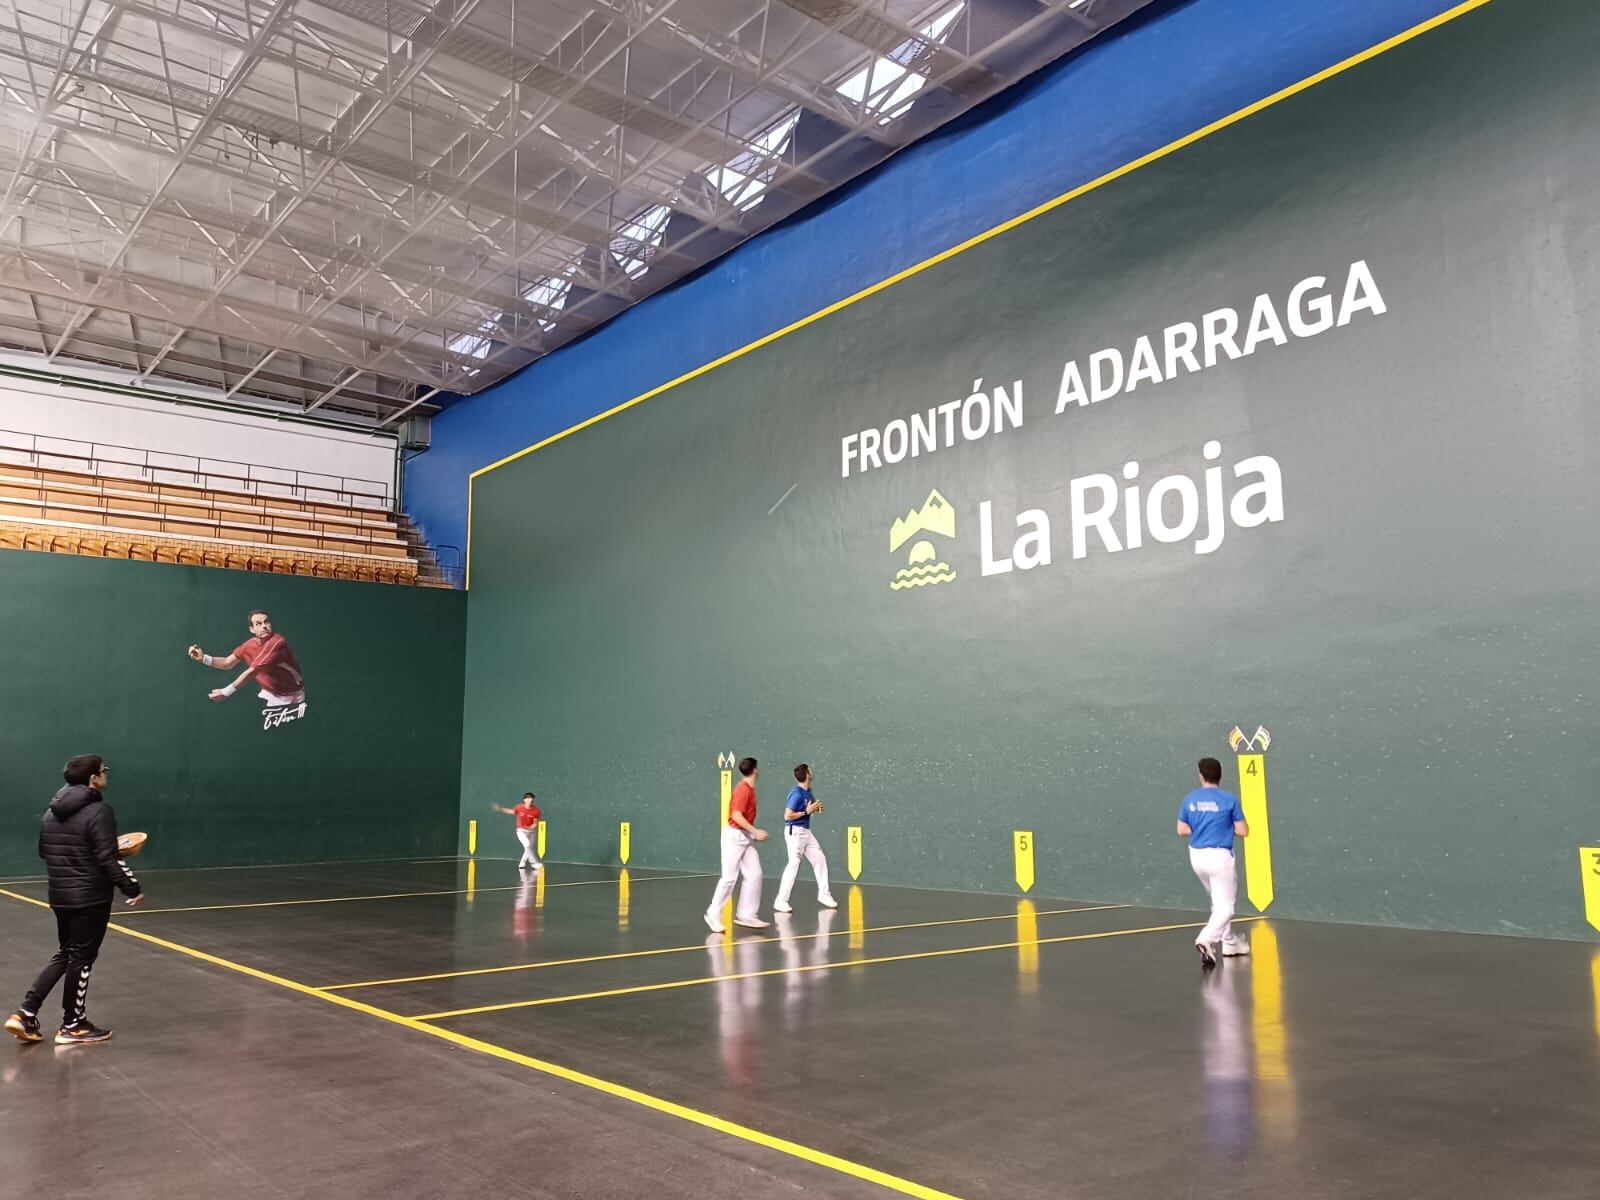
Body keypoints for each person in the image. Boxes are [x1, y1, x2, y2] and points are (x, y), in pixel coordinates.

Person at [5, 755, 144, 1046]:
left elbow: (47, 852)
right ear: (93, 778)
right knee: (82, 958)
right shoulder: (99, 811)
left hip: (60, 895)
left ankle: (25, 1014)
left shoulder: (51, 813)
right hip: (89, 897)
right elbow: (107, 858)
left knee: (66, 953)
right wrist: (131, 886)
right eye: (104, 771)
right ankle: (73, 1025)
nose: (107, 775)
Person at [1177, 756, 1249, 967]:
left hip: (1197, 857)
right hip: (1220, 857)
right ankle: (1206, 939)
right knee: (1226, 908)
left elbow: (1181, 830)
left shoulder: (1189, 799)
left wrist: (1201, 829)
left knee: (1217, 901)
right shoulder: (1229, 799)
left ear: (1201, 776)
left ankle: (1230, 943)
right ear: (1220, 776)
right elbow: (1243, 831)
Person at [186, 609, 306, 709]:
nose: (264, 626)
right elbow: (227, 663)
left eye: (266, 622)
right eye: (258, 624)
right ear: (252, 629)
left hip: (292, 697)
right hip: (270, 693)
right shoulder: (249, 645)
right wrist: (203, 658)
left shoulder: (277, 642)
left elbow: (252, 672)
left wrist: (226, 692)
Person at [704, 757, 769, 934]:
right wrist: (755, 831)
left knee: (755, 874)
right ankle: (712, 913)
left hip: (744, 837)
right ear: (755, 770)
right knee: (729, 878)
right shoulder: (743, 790)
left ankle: (746, 914)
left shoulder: (749, 788)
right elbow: (737, 815)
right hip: (734, 837)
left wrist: (751, 833)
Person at [774, 763, 837, 914]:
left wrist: (815, 809)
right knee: (794, 863)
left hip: (806, 833)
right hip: (794, 833)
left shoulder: (808, 791)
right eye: (810, 769)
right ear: (807, 774)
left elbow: (810, 808)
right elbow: (787, 815)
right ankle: (780, 901)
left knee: (820, 859)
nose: (812, 771)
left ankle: (824, 895)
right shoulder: (796, 793)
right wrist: (806, 811)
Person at [492, 793, 542, 872]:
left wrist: (532, 827)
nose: (530, 800)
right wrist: (501, 809)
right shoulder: (519, 807)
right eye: (528, 798)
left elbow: (535, 823)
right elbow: (512, 811)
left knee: (528, 848)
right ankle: (534, 863)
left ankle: (522, 863)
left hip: (531, 832)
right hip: (521, 831)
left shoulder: (536, 811)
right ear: (524, 800)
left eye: (532, 799)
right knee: (527, 844)